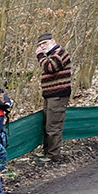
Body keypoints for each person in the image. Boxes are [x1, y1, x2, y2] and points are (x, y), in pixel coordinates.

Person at [35, 33, 72, 161]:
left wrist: (39, 55)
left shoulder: (60, 52)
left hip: (58, 95)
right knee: (46, 124)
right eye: (39, 45)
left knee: (53, 126)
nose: (41, 46)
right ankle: (47, 152)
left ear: (53, 41)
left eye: (44, 43)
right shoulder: (50, 55)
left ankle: (53, 155)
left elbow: (50, 67)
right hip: (50, 95)